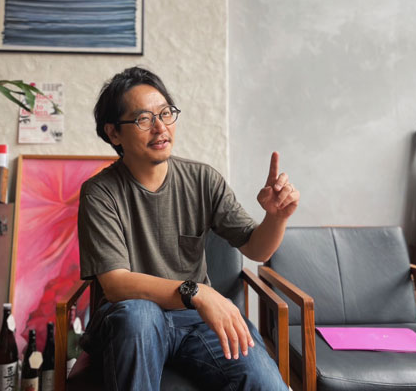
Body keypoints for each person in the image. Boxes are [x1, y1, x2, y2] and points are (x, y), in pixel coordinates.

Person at [78, 66, 299, 391]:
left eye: (166, 113)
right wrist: (197, 292)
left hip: (195, 320)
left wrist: (276, 217)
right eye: (144, 119)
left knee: (265, 382)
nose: (161, 128)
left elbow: (256, 248)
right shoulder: (99, 192)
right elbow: (116, 284)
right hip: (131, 319)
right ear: (114, 133)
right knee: (140, 315)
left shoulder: (202, 179)